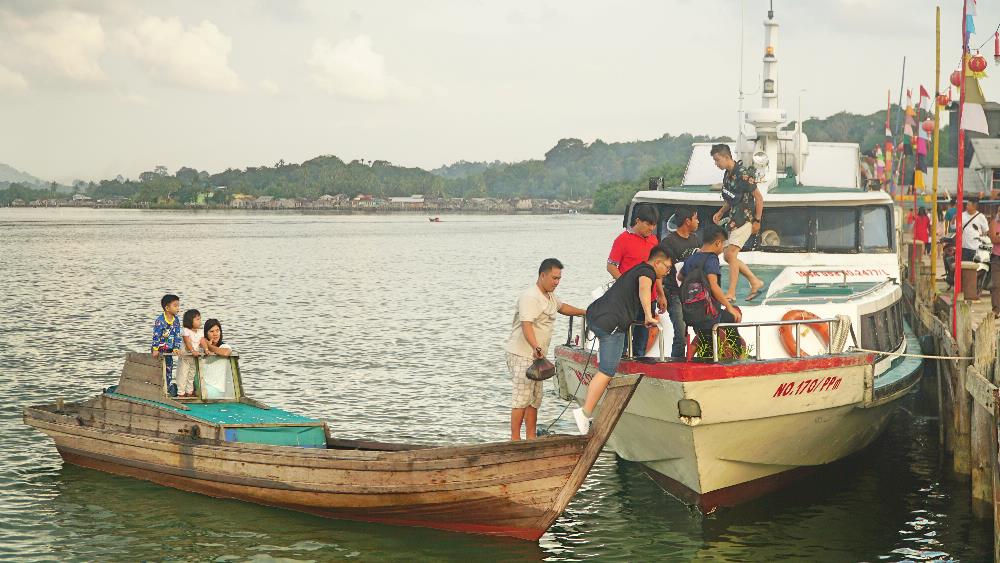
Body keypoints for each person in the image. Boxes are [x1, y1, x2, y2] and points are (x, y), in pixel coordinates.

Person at [573, 246, 672, 434]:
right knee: (607, 371)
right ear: (657, 262)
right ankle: (584, 412)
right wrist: (648, 315)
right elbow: (644, 289)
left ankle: (589, 406)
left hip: (595, 315)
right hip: (612, 324)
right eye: (667, 267)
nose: (667, 272)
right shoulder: (647, 272)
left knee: (606, 365)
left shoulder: (636, 269)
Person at [505, 258, 585, 441]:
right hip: (522, 354)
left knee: (534, 399)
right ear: (542, 275)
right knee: (521, 398)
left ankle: (531, 438)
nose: (557, 282)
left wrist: (584, 312)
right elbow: (526, 325)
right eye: (554, 278)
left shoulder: (550, 297)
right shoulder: (530, 297)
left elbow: (563, 308)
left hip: (538, 357)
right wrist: (536, 347)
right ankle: (514, 440)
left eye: (559, 279)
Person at [607, 203, 665, 358]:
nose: (651, 228)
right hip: (628, 298)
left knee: (642, 338)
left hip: (650, 298)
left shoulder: (654, 241)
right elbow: (611, 266)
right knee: (623, 337)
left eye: (654, 225)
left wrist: (661, 294)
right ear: (638, 221)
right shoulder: (622, 239)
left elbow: (657, 271)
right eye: (648, 224)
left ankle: (640, 363)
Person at [709, 144, 765, 302]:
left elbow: (759, 198)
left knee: (731, 254)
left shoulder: (743, 174)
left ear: (726, 157)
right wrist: (721, 212)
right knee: (728, 256)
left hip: (745, 219)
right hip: (733, 219)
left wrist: (757, 220)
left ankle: (731, 292)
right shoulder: (727, 174)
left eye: (717, 160)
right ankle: (755, 281)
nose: (716, 163)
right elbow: (731, 198)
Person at [679, 224, 744, 356]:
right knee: (732, 316)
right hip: (709, 314)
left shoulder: (692, 258)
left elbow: (680, 276)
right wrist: (729, 307)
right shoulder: (711, 259)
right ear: (718, 242)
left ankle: (707, 357)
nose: (723, 249)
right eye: (724, 245)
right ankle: (740, 357)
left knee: (707, 341)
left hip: (692, 313)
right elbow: (714, 286)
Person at [658, 207, 702, 357]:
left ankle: (696, 360)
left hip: (693, 293)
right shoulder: (668, 242)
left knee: (702, 330)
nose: (698, 222)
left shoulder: (695, 239)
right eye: (696, 218)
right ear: (687, 221)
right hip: (675, 293)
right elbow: (660, 271)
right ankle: (677, 362)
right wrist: (661, 295)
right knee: (680, 333)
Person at [151, 294, 182, 397]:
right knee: (158, 369)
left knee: (169, 369)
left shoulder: (176, 320)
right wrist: (155, 349)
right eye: (175, 306)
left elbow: (177, 335)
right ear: (167, 308)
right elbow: (156, 335)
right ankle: (157, 389)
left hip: (169, 350)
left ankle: (166, 389)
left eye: (178, 305)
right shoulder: (160, 321)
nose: (178, 308)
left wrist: (176, 347)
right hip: (159, 350)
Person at [201, 318, 233, 398]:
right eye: (211, 331)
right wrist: (205, 347)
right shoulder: (202, 349)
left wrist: (209, 346)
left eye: (217, 330)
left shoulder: (224, 346)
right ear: (206, 334)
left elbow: (226, 353)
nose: (215, 334)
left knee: (201, 392)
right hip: (202, 385)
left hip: (216, 389)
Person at [178, 309, 204, 398]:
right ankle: (181, 393)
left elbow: (202, 341)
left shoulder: (200, 331)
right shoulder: (186, 330)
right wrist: (192, 351)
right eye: (197, 319)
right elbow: (187, 342)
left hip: (194, 358)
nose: (200, 321)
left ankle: (189, 392)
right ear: (190, 321)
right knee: (182, 374)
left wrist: (206, 349)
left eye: (200, 319)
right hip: (185, 357)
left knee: (191, 375)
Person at [989, 209, 1000, 317]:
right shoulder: (993, 223)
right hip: (996, 258)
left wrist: (998, 237)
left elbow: (997, 238)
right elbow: (993, 239)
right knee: (996, 285)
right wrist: (996, 238)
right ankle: (996, 310)